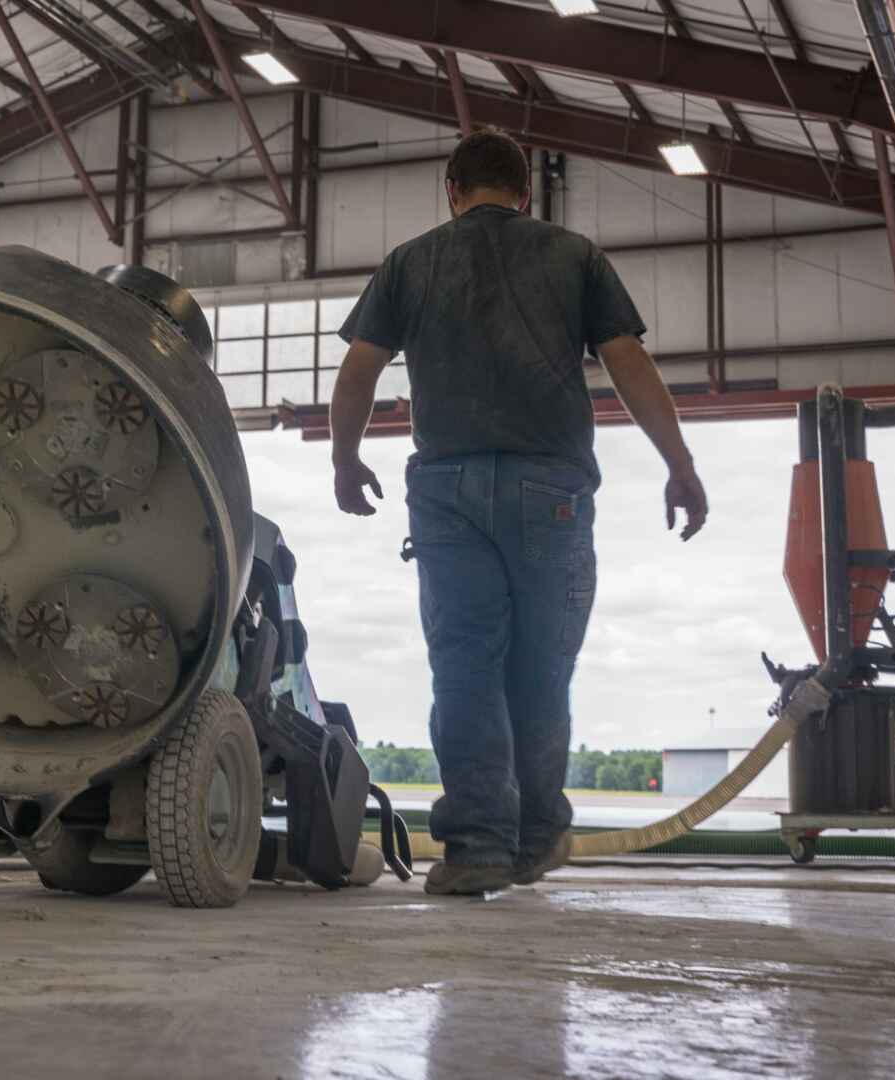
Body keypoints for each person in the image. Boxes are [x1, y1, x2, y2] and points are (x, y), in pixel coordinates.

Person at [328, 130, 708, 896]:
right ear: (526, 191)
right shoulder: (575, 256)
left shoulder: (410, 261)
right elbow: (629, 363)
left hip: (447, 488)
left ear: (452, 189)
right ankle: (536, 839)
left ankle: (476, 850)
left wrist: (345, 457)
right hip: (551, 491)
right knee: (541, 670)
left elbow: (359, 368)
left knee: (464, 668)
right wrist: (680, 464)